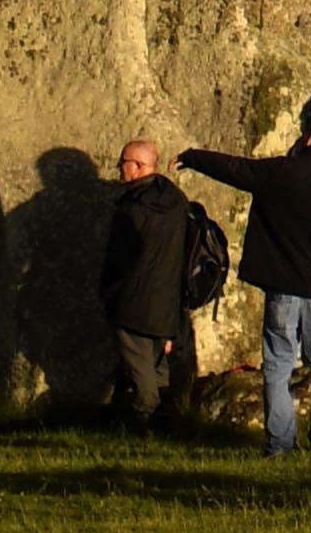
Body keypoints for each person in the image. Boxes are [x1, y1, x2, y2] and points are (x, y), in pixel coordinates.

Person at [180, 89, 311, 454]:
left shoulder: (277, 172)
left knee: (277, 363)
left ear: (306, 136)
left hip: (283, 285)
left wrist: (192, 157)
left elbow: (233, 168)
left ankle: (279, 441)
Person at [94, 140, 208, 430]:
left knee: (139, 365)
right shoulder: (175, 200)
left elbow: (118, 257)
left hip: (132, 301)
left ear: (139, 166)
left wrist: (107, 292)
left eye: (123, 162)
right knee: (157, 365)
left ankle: (146, 416)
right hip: (167, 300)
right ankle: (167, 418)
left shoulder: (132, 207)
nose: (120, 168)